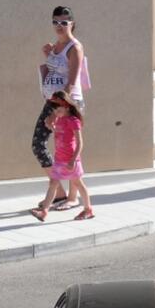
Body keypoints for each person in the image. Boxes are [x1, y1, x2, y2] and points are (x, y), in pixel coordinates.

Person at [32, 6, 87, 207]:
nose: (59, 26)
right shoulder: (55, 46)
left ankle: (72, 198)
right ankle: (60, 192)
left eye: (64, 22)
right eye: (55, 22)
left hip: (68, 103)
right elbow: (56, 70)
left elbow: (70, 83)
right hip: (53, 102)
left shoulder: (75, 48)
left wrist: (58, 111)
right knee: (39, 145)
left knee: (69, 147)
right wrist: (48, 54)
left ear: (72, 24)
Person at [30, 92, 94, 222]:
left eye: (58, 109)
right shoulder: (60, 119)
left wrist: (73, 160)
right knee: (53, 183)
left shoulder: (73, 121)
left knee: (78, 184)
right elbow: (61, 134)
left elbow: (80, 143)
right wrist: (51, 127)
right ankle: (44, 211)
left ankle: (88, 209)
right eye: (54, 110)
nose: (56, 113)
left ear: (67, 107)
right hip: (59, 159)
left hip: (71, 160)